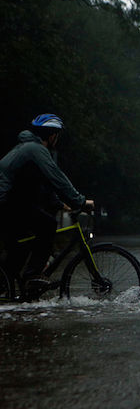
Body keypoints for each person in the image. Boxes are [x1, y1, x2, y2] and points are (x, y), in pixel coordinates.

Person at [0, 114, 94, 297]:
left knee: (20, 247)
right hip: (6, 202)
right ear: (52, 135)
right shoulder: (36, 149)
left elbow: (43, 184)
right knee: (47, 224)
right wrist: (80, 202)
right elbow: (56, 178)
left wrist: (60, 204)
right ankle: (33, 275)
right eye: (57, 136)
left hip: (10, 203)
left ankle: (11, 291)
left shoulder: (28, 148)